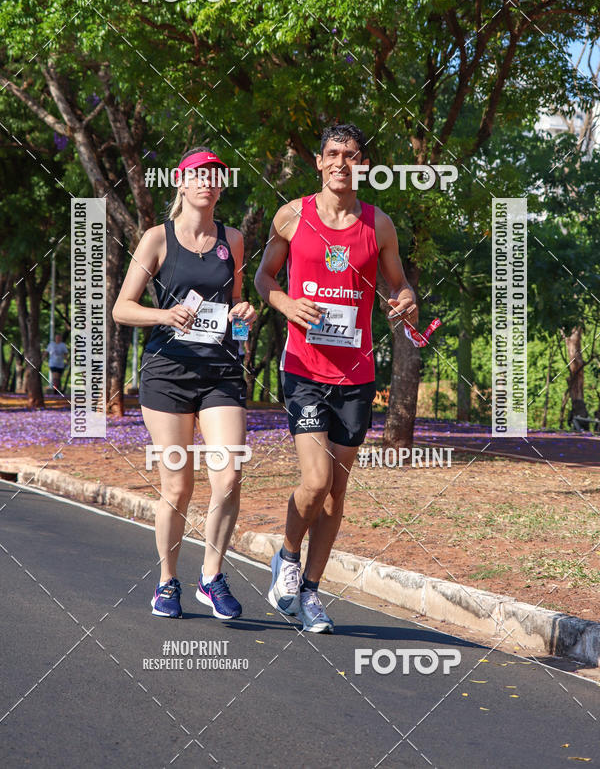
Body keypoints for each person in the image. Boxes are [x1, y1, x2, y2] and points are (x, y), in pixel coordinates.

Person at [255, 123, 417, 633]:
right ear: (320, 163)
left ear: (362, 164)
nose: (341, 162)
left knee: (335, 495)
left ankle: (310, 593)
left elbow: (401, 285)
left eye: (351, 154)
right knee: (315, 479)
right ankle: (286, 557)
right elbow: (264, 277)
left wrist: (406, 302)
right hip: (304, 368)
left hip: (357, 373)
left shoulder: (379, 225)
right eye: (332, 153)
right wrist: (284, 303)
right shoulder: (292, 216)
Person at [113, 148, 256, 619]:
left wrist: (244, 314)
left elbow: (234, 301)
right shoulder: (157, 239)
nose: (207, 183)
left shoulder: (232, 239)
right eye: (198, 175)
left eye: (215, 176)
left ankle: (211, 577)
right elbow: (122, 308)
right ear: (181, 183)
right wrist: (164, 314)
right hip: (168, 372)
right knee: (177, 487)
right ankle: (166, 582)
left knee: (230, 475)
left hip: (220, 373)